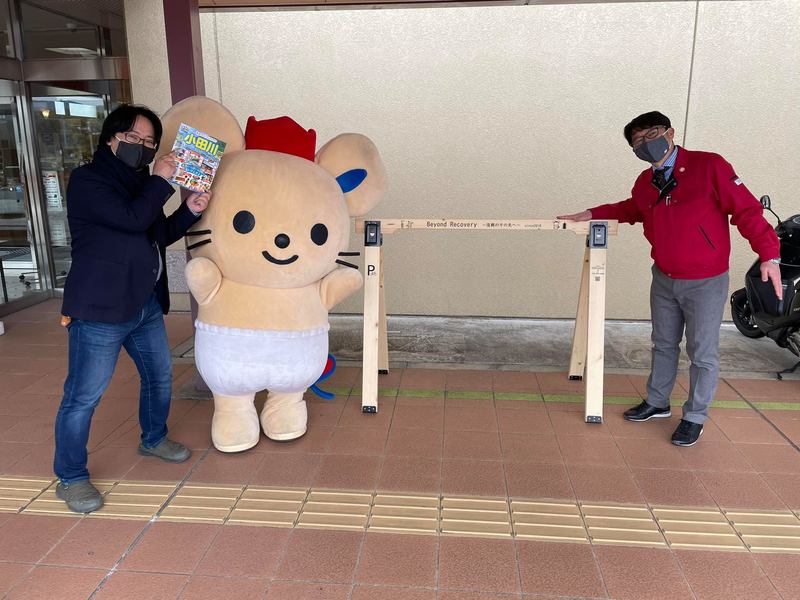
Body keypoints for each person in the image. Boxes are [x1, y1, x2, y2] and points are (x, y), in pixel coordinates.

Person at [558, 111, 781, 447]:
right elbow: (631, 209)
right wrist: (592, 214)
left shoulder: (709, 166)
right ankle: (658, 401)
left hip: (705, 280)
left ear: (670, 132)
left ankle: (694, 417)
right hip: (664, 278)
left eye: (652, 134)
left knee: (702, 352)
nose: (646, 143)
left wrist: (769, 254)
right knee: (663, 343)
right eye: (638, 140)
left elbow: (746, 210)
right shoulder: (644, 183)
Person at [54, 104, 211, 513]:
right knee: (83, 397)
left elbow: (156, 233)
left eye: (149, 142)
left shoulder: (143, 183)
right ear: (111, 138)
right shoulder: (88, 180)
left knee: (159, 377)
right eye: (133, 138)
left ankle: (154, 438)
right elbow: (130, 219)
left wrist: (191, 211)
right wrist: (161, 180)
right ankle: (71, 476)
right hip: (99, 311)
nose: (141, 146)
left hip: (144, 304)